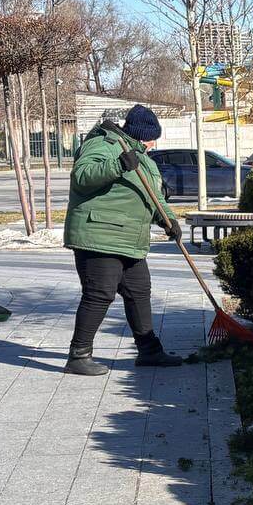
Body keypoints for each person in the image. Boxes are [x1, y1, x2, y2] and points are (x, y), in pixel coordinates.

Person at [62, 105, 183, 375]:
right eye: (151, 139)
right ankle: (78, 356)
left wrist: (169, 220)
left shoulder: (143, 159)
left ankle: (149, 351)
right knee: (99, 293)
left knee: (139, 290)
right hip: (99, 234)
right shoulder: (104, 144)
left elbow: (154, 196)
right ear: (141, 135)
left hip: (128, 238)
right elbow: (82, 176)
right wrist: (117, 165)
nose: (153, 144)